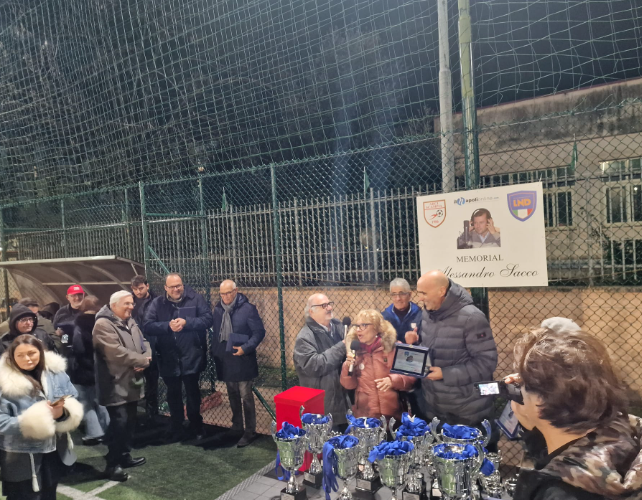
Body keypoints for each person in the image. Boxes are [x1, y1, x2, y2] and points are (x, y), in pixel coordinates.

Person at [507, 328, 642, 500]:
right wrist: (532, 425)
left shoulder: (559, 493)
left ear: (542, 403)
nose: (517, 388)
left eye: (522, 385)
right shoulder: (621, 429)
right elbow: (552, 455)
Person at [405, 270, 498, 448]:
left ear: (441, 291)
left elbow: (487, 362)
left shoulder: (472, 317)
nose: (420, 298)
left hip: (467, 412)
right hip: (435, 407)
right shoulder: (428, 313)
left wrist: (445, 374)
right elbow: (434, 351)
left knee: (472, 461)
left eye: (424, 293)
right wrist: (414, 344)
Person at [0, 335, 83, 500]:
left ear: (41, 352)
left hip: (54, 449)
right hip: (20, 455)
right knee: (24, 496)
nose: (27, 359)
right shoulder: (4, 381)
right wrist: (33, 422)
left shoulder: (55, 373)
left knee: (49, 493)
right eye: (20, 355)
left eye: (32, 353)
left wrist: (62, 413)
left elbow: (72, 396)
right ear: (12, 357)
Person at [144, 273, 213, 441]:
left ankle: (196, 426)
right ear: (165, 288)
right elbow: (147, 325)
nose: (176, 289)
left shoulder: (196, 299)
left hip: (191, 355)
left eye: (179, 285)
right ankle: (177, 426)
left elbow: (207, 319)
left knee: (192, 393)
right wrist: (167, 326)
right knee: (173, 393)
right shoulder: (157, 303)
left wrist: (187, 323)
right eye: (172, 286)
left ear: (183, 285)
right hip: (168, 357)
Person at [93, 291, 150, 482]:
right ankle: (113, 464)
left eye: (132, 303)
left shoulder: (130, 321)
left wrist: (146, 356)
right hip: (114, 384)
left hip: (131, 382)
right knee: (119, 424)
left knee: (129, 422)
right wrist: (141, 360)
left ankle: (124, 456)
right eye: (127, 303)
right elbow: (114, 352)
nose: (131, 307)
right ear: (114, 305)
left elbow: (143, 342)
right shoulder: (102, 324)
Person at [211, 280, 265, 447]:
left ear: (236, 291)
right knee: (232, 394)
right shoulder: (218, 309)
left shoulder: (248, 309)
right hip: (226, 358)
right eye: (222, 294)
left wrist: (245, 348)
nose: (225, 296)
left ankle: (250, 431)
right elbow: (216, 333)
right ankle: (236, 426)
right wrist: (216, 352)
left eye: (228, 293)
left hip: (243, 359)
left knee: (246, 396)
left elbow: (259, 332)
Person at [340, 310, 415, 421]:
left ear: (376, 328)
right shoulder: (354, 351)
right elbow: (348, 385)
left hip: (394, 415)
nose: (358, 329)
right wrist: (347, 367)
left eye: (363, 325)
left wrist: (393, 381)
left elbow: (411, 377)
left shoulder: (394, 347)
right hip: (366, 416)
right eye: (357, 326)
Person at [293, 294, 349, 428]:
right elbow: (314, 365)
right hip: (323, 406)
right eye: (324, 305)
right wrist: (342, 346)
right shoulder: (304, 338)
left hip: (344, 401)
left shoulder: (339, 327)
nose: (329, 308)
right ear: (311, 311)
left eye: (329, 304)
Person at [71, 295, 109, 446]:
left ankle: (94, 433)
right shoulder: (105, 323)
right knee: (102, 402)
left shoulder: (79, 324)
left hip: (84, 369)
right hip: (102, 367)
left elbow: (78, 348)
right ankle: (108, 430)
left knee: (86, 403)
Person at [130, 275, 159, 424]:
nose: (138, 292)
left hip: (152, 345)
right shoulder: (129, 302)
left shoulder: (157, 301)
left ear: (147, 286)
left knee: (152, 381)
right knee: (134, 382)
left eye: (141, 288)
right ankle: (134, 414)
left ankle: (152, 414)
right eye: (135, 289)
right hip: (134, 347)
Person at [382, 278, 422, 343]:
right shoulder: (384, 317)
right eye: (394, 294)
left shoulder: (420, 315)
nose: (398, 298)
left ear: (409, 295)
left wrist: (415, 342)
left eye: (402, 294)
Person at [53, 285, 86, 357]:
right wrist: (57, 333)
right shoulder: (61, 312)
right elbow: (54, 329)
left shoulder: (89, 311)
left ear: (84, 295)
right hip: (66, 347)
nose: (77, 298)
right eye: (74, 295)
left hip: (85, 350)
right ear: (67, 297)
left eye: (80, 295)